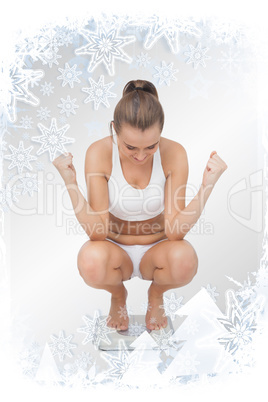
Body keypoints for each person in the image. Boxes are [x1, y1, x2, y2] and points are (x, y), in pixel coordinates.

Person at [52, 79, 228, 331]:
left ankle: (155, 296)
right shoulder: (98, 152)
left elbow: (175, 232)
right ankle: (118, 295)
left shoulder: (175, 153)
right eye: (130, 146)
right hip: (114, 249)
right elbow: (97, 233)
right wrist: (70, 181)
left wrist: (207, 184)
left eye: (151, 146)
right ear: (115, 130)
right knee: (90, 260)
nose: (141, 156)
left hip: (157, 249)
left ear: (161, 133)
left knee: (184, 260)